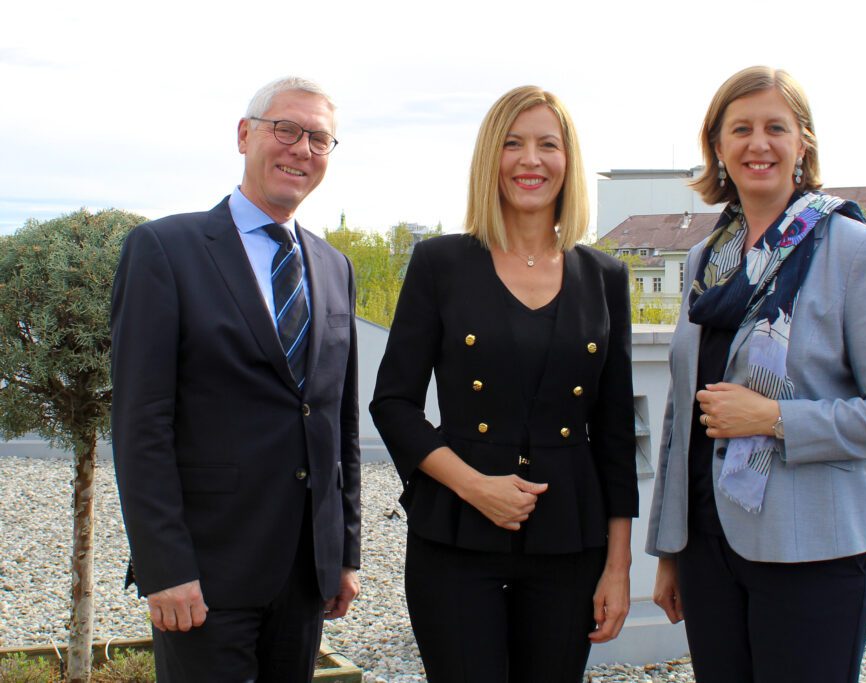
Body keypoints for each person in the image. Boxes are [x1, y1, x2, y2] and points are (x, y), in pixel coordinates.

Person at [646, 66, 866, 683]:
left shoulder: (856, 250)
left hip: (817, 553)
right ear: (717, 147)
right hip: (709, 547)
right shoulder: (708, 259)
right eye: (740, 129)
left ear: (803, 143)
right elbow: (684, 415)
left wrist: (774, 418)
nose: (758, 144)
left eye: (776, 127)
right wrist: (672, 549)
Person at [370, 85, 639, 682]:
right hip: (455, 537)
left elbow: (617, 434)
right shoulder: (441, 263)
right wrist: (475, 487)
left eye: (548, 144)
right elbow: (392, 404)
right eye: (512, 144)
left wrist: (618, 568)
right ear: (490, 159)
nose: (530, 160)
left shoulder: (605, 277)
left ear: (568, 162)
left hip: (570, 544)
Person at [111, 76, 361, 682]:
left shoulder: (333, 267)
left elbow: (338, 422)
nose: (301, 148)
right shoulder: (164, 250)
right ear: (245, 135)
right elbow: (141, 424)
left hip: (305, 574)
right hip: (206, 572)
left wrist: (343, 553)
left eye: (319, 139)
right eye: (286, 130)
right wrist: (164, 566)